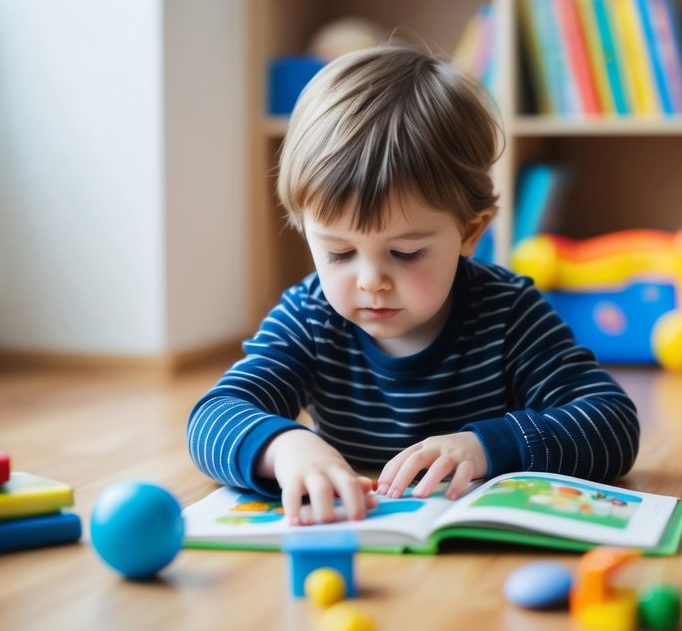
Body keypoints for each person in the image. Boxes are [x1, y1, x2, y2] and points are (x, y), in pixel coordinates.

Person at [188, 44, 639, 525]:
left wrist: (488, 445)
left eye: (404, 253)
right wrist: (285, 447)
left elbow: (612, 421)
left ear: (470, 232)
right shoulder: (311, 316)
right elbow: (212, 418)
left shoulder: (509, 312)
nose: (371, 281)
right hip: (356, 540)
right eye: (338, 252)